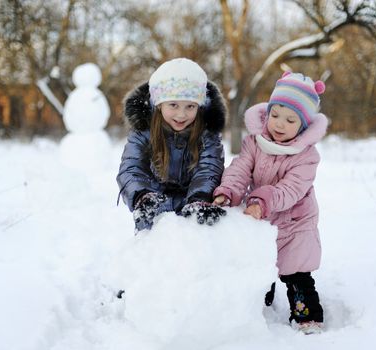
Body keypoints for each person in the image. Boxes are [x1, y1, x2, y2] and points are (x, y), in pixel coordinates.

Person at [213, 71, 328, 334]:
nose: (279, 123)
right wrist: (228, 191)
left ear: (304, 125)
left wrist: (261, 201)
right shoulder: (256, 142)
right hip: (262, 216)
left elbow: (291, 189)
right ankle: (260, 303)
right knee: (260, 263)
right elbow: (241, 168)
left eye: (290, 119)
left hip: (295, 222)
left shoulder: (307, 156)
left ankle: (307, 317)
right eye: (275, 114)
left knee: (295, 272)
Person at [117, 58, 227, 234]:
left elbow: (209, 168)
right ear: (159, 104)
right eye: (173, 105)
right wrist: (142, 196)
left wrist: (199, 197)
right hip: (154, 211)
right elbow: (131, 167)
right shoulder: (143, 130)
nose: (181, 114)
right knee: (154, 256)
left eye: (190, 106)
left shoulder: (207, 133)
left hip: (192, 209)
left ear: (199, 107)